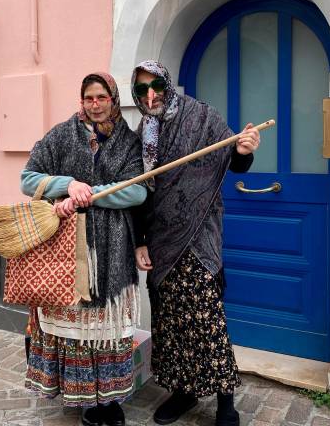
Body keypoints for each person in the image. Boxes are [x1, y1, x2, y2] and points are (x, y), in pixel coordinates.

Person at [130, 60, 260, 426]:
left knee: (208, 321)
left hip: (200, 238)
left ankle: (225, 403)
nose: (150, 94)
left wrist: (245, 150)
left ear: (167, 83)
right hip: (161, 241)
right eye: (141, 90)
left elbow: (234, 162)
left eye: (155, 85)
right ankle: (183, 392)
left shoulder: (203, 116)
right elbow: (140, 193)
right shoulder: (143, 132)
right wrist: (140, 240)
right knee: (170, 323)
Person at [21, 72, 147, 426]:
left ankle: (110, 401)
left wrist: (89, 194)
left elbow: (137, 190)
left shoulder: (127, 141)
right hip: (67, 250)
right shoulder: (62, 135)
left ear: (113, 99)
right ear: (82, 100)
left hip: (113, 249)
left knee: (107, 327)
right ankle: (86, 399)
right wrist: (67, 185)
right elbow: (28, 178)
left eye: (102, 98)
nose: (95, 105)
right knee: (74, 327)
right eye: (89, 98)